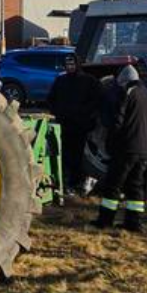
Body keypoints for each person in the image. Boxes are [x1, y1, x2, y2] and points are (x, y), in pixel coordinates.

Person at [93, 65, 147, 232]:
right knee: (136, 186)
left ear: (124, 81)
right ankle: (134, 222)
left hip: (125, 148)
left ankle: (105, 220)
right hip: (144, 150)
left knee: (113, 185)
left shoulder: (127, 94)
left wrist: (111, 143)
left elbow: (118, 122)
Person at [46, 54, 102, 193]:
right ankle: (65, 182)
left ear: (77, 64)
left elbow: (97, 99)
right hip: (64, 125)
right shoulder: (61, 80)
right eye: (67, 65)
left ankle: (76, 182)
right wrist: (57, 112)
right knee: (64, 155)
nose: (70, 67)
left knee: (78, 156)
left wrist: (86, 114)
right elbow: (51, 99)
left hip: (80, 126)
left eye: (72, 64)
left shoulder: (88, 81)